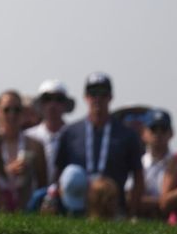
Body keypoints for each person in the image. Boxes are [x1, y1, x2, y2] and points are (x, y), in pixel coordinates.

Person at [55, 72, 144, 216]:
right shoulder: (70, 133)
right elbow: (59, 173)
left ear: (110, 97)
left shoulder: (127, 134)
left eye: (103, 93)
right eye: (93, 93)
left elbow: (138, 176)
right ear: (85, 97)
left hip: (114, 209)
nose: (97, 98)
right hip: (77, 208)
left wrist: (132, 211)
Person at [0, 90, 47, 212]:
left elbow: (42, 184)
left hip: (26, 209)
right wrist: (8, 171)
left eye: (17, 110)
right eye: (7, 110)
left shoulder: (35, 145)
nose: (12, 114)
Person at [24, 79, 75, 184]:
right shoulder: (28, 137)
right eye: (47, 99)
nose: (52, 104)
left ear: (65, 104)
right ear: (40, 104)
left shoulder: (75, 136)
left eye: (58, 99)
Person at [127, 109, 173, 219]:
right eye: (153, 129)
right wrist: (165, 201)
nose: (158, 134)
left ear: (171, 133)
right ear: (143, 133)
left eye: (163, 129)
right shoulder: (137, 164)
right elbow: (131, 198)